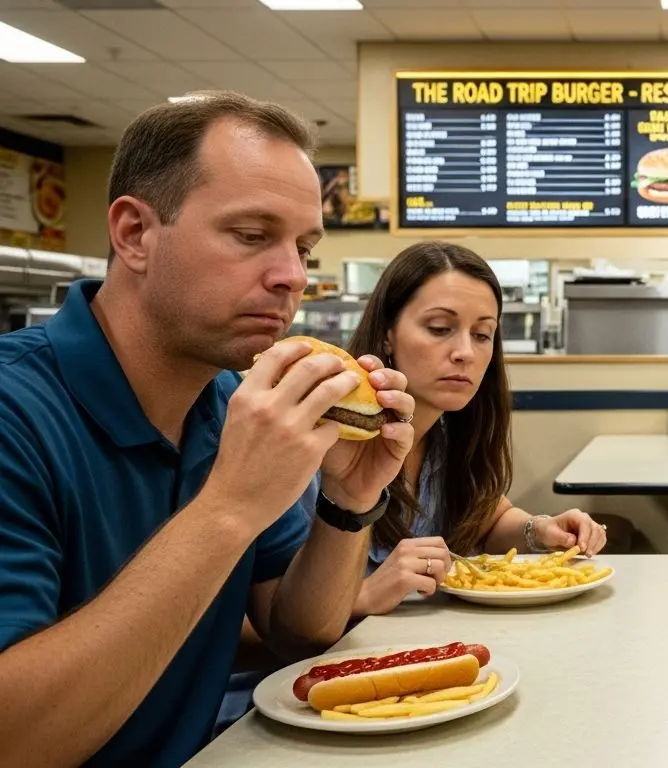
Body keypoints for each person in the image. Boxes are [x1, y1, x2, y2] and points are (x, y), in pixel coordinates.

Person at [0, 92, 414, 767]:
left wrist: (347, 502)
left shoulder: (231, 403)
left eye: (303, 247)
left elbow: (296, 633)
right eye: (251, 235)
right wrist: (228, 507)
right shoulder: (15, 412)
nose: (292, 278)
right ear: (135, 233)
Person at [333, 240, 610, 617]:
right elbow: (262, 614)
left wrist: (540, 530)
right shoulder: (328, 443)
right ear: (387, 334)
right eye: (439, 328)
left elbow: (487, 518)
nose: (465, 352)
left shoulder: (447, 436)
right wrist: (362, 597)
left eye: (482, 335)